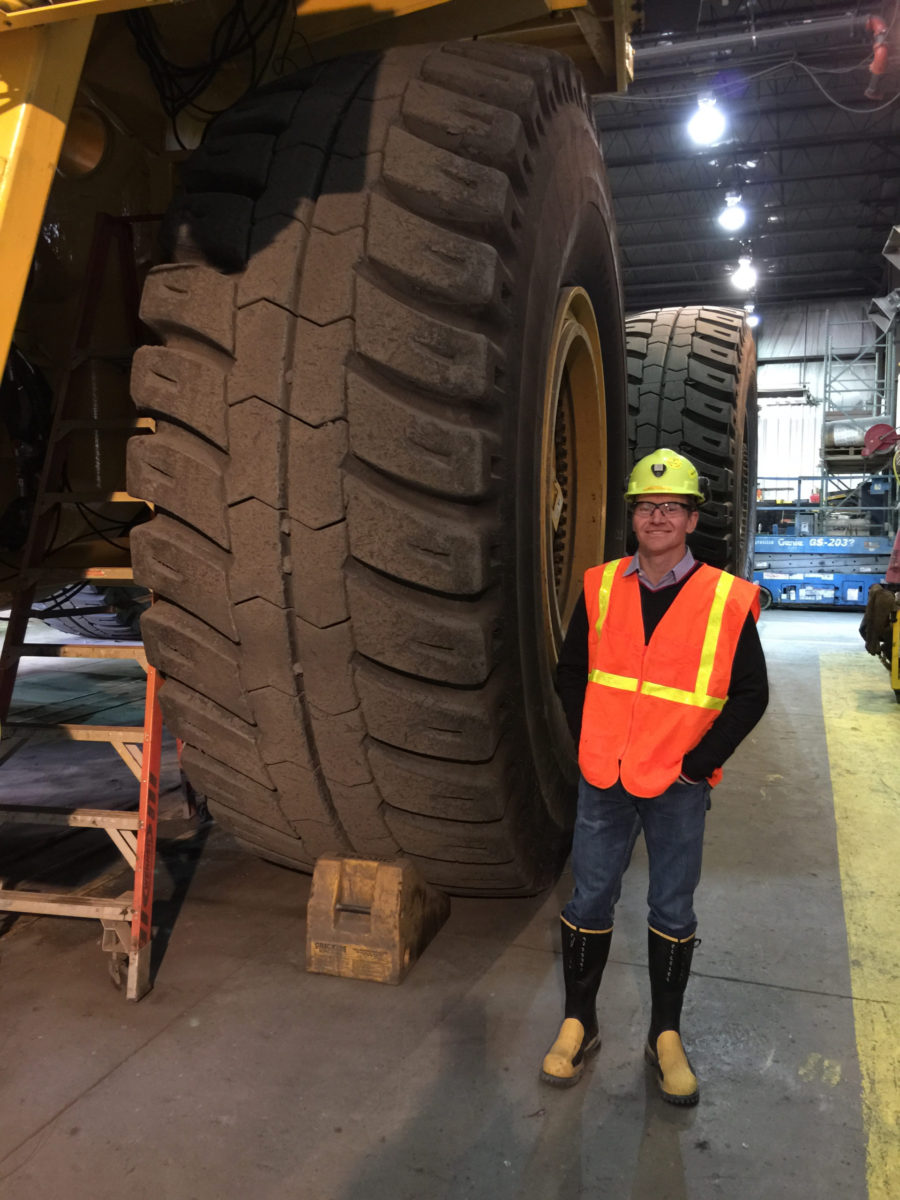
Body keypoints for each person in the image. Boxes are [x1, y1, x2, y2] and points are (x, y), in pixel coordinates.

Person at [541, 448, 769, 1105]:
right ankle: (578, 1025)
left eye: (671, 508)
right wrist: (592, 739)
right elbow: (571, 672)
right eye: (647, 507)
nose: (658, 517)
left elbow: (750, 695)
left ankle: (664, 1036)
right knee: (589, 900)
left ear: (692, 519)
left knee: (672, 907)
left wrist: (699, 764)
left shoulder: (726, 600)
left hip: (677, 786)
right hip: (604, 780)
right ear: (633, 518)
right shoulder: (602, 585)